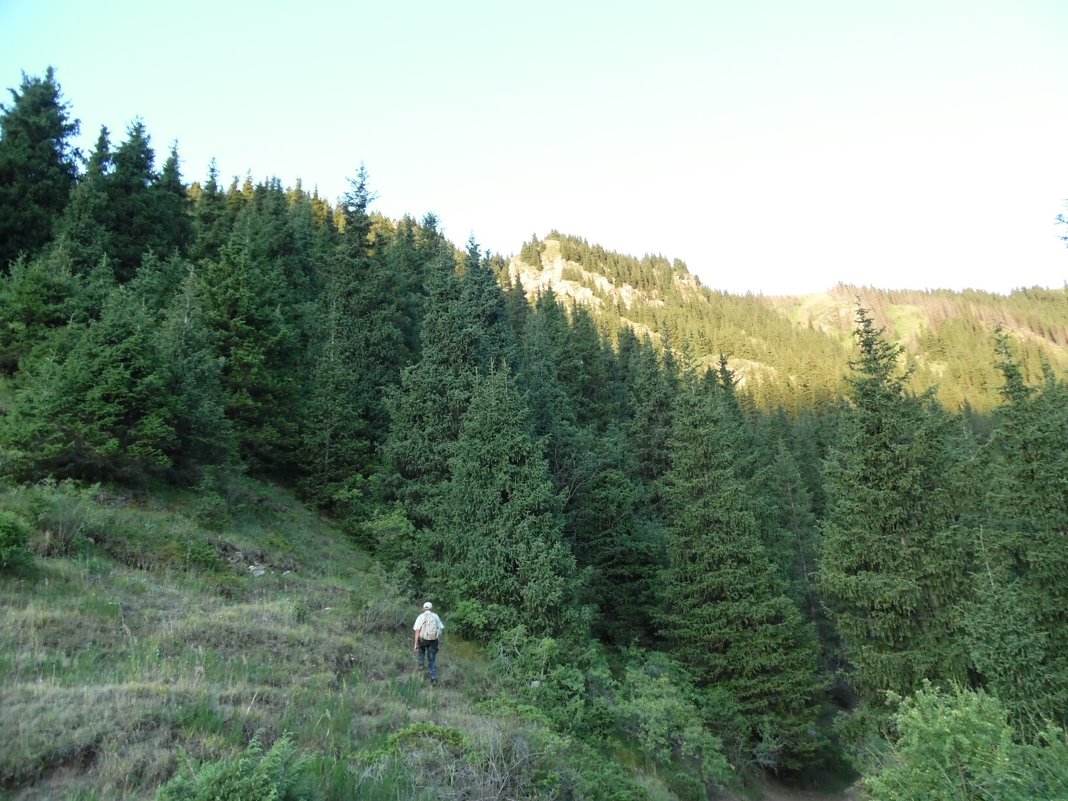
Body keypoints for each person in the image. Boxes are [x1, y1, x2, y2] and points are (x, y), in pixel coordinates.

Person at [413, 601, 444, 685]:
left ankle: (421, 665)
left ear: (423, 608)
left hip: (423, 641)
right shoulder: (435, 616)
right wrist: (438, 643)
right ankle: (433, 678)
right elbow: (440, 628)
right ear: (431, 608)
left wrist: (416, 644)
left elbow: (417, 631)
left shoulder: (421, 617)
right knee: (432, 660)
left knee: (421, 651)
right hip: (433, 641)